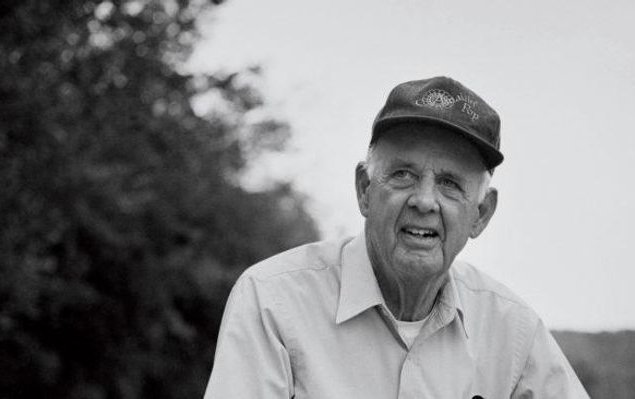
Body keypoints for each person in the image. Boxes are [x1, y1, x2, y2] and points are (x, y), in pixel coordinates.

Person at [204, 76, 589, 398]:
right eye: (403, 174)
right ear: (364, 190)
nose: (424, 200)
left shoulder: (514, 332)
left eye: (450, 183)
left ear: (481, 214)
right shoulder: (272, 300)